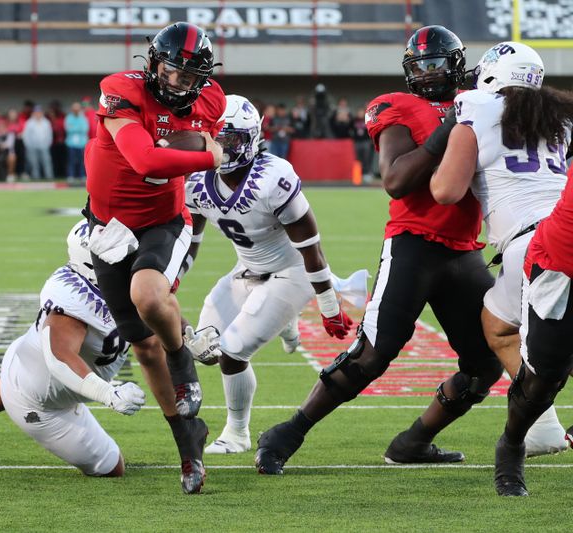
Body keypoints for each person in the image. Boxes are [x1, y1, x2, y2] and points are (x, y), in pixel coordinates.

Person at [255, 26, 504, 474]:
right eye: (420, 66)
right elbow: (394, 180)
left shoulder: (482, 100)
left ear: (458, 65)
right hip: (414, 242)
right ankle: (286, 433)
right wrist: (449, 126)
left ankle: (414, 441)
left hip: (465, 249)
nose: (428, 75)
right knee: (375, 352)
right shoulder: (400, 106)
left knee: (486, 362)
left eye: (436, 65)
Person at [84, 21, 225, 494]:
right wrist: (208, 155)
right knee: (142, 347)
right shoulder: (119, 90)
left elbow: (170, 152)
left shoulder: (211, 101)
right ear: (153, 63)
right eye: (171, 71)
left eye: (189, 77)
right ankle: (189, 440)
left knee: (148, 294)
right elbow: (145, 161)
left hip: (164, 221)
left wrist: (184, 147)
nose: (177, 83)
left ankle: (183, 363)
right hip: (108, 228)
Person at [182, 95, 357, 454]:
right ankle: (285, 323)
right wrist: (169, 281)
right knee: (206, 348)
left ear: (250, 139)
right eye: (215, 137)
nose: (221, 147)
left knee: (232, 352)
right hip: (246, 269)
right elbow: (189, 240)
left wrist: (328, 305)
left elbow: (311, 248)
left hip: (291, 272)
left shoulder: (272, 178)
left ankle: (237, 432)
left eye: (229, 139)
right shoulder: (197, 179)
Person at [0, 220, 145, 478]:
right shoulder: (76, 303)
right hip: (42, 402)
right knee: (112, 467)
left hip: (26, 364)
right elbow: (60, 358)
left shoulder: (97, 282)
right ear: (92, 264)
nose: (128, 259)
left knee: (9, 387)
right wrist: (109, 394)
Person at [430, 42, 572, 460]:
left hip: (531, 244)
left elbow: (445, 191)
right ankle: (543, 426)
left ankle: (541, 427)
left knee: (501, 327)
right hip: (563, 225)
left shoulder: (475, 110)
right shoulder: (558, 120)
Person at [22, 105, 54, 180]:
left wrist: (48, 144)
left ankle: (49, 177)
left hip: (44, 145)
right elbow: (26, 135)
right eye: (36, 112)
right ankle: (36, 177)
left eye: (39, 112)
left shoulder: (46, 122)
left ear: (42, 113)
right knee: (34, 163)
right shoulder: (29, 122)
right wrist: (28, 145)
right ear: (33, 113)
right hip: (32, 146)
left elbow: (49, 134)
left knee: (46, 161)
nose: (38, 114)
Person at [65, 101, 89, 182]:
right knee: (71, 161)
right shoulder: (69, 118)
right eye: (74, 108)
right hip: (71, 143)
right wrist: (78, 128)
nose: (76, 110)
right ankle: (71, 176)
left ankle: (82, 176)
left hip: (82, 143)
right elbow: (68, 129)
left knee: (82, 161)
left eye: (77, 108)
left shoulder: (83, 118)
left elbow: (85, 129)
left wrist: (74, 127)